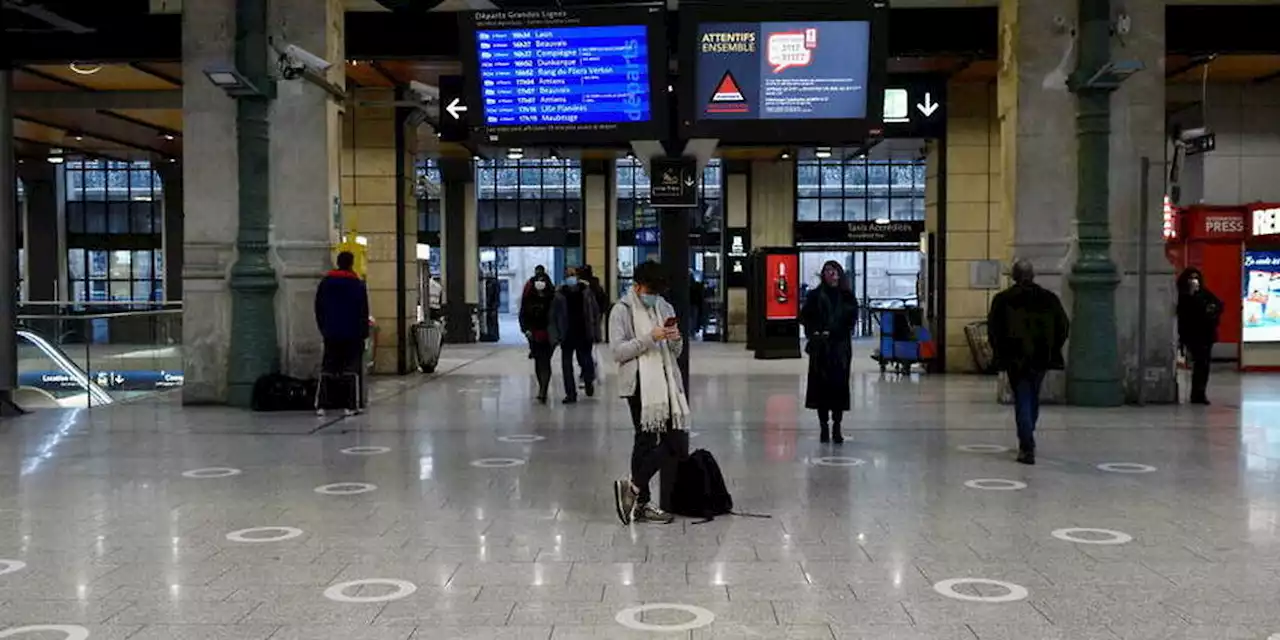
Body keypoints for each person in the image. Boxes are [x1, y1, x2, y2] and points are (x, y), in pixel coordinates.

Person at [610, 261, 688, 525]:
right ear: (638, 285)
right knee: (644, 441)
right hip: (639, 385)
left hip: (665, 383)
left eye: (657, 290)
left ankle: (632, 487)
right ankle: (642, 503)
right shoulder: (621, 310)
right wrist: (650, 338)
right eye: (650, 289)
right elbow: (618, 352)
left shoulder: (664, 306)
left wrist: (674, 338)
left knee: (675, 443)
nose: (653, 295)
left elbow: (677, 352)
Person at [987, 259, 1070, 465]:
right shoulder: (1049, 299)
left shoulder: (1003, 300)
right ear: (1033, 276)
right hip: (1041, 356)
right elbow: (1063, 326)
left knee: (1023, 397)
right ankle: (1028, 432)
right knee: (1032, 395)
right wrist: (1053, 347)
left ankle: (1027, 445)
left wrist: (1000, 353)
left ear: (1013, 277)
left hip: (1015, 357)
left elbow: (993, 331)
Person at [800, 261, 858, 444]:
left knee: (838, 387)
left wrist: (834, 331)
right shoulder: (815, 296)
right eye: (827, 271)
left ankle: (837, 426)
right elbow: (805, 317)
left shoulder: (847, 297)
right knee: (821, 388)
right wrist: (815, 331)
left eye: (833, 271)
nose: (830, 274)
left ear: (839, 274)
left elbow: (850, 321)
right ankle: (823, 427)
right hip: (821, 349)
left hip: (839, 348)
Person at [314, 251, 370, 417]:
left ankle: (322, 405)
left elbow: (318, 308)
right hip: (353, 334)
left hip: (331, 333)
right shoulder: (357, 285)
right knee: (351, 370)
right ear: (351, 263)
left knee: (328, 368)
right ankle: (351, 405)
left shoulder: (325, 283)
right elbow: (363, 311)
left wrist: (323, 328)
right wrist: (363, 333)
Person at [551, 266, 600, 403]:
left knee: (586, 361)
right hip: (566, 334)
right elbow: (553, 315)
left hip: (584, 332)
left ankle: (589, 380)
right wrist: (556, 334)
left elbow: (594, 312)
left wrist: (596, 331)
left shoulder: (586, 291)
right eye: (568, 275)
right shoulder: (559, 294)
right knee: (566, 365)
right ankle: (570, 393)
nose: (571, 277)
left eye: (573, 274)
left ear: (577, 277)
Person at [1177, 267, 1222, 405]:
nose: (1194, 281)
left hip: (1206, 334)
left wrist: (1211, 310)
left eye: (1196, 278)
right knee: (1199, 363)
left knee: (1204, 365)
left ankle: (1200, 392)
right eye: (1191, 278)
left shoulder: (1204, 293)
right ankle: (1197, 393)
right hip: (1192, 334)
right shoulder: (1183, 295)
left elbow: (1218, 304)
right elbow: (1184, 313)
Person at [520, 271, 557, 404]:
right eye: (538, 281)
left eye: (543, 281)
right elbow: (523, 315)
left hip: (548, 335)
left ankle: (543, 390)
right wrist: (525, 330)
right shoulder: (529, 298)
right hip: (534, 335)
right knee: (538, 362)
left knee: (545, 361)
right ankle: (541, 386)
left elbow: (557, 316)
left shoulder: (553, 298)